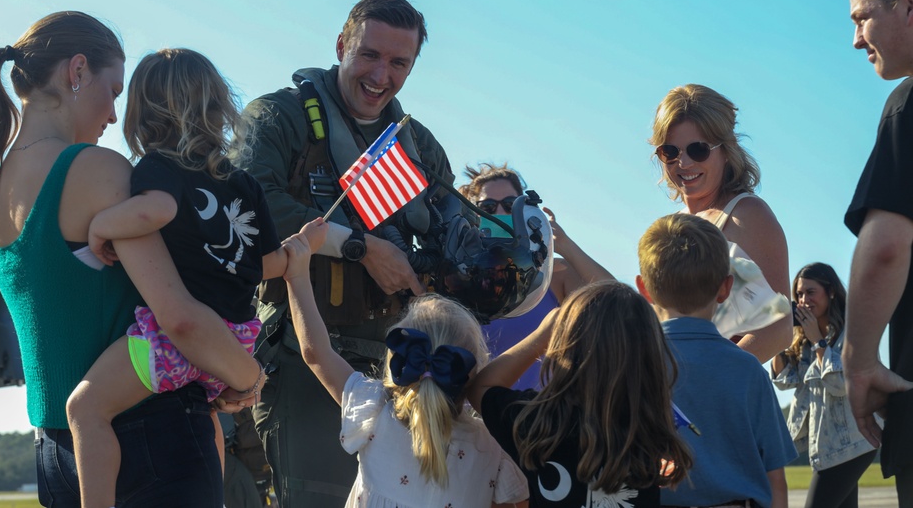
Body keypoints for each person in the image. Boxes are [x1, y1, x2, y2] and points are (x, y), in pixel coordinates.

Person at [0, 13, 262, 507]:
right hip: (150, 439)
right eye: (114, 92)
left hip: (58, 452)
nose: (115, 117)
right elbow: (179, 317)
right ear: (77, 72)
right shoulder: (97, 171)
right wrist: (247, 378)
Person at [66, 49, 318, 508]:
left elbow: (157, 210)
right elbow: (263, 265)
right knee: (204, 423)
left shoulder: (159, 168)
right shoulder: (245, 184)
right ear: (217, 106)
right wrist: (297, 252)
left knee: (84, 410)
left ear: (144, 111)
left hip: (175, 341)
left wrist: (102, 226)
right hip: (235, 343)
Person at [233, 0, 454, 507]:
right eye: (370, 56)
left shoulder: (415, 144)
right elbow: (251, 206)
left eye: (399, 63)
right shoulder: (277, 118)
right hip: (302, 358)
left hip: (399, 366)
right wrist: (361, 247)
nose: (382, 75)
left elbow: (452, 227)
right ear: (340, 45)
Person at [279, 218, 528, 508]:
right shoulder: (492, 447)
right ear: (471, 373)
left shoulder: (375, 412)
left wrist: (297, 273)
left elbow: (315, 351)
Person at [467, 281, 693, 507]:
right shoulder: (650, 431)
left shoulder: (538, 424)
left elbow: (480, 388)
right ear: (650, 358)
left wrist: (542, 335)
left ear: (565, 346)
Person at [637, 213, 795, 508]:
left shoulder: (628, 366)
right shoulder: (749, 371)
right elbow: (776, 479)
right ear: (725, 288)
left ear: (643, 289)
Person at [842, 0, 913, 504]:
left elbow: (887, 244)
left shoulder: (907, 105)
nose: (856, 39)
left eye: (863, 16)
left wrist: (859, 362)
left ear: (909, 3)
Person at [650, 83, 792, 363]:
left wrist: (709, 378)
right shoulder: (670, 225)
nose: (684, 163)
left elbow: (779, 329)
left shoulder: (747, 216)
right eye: (670, 152)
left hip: (714, 398)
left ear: (726, 150)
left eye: (698, 150)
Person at [459, 162, 611, 389]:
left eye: (510, 205)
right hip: (474, 419)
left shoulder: (552, 274)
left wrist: (564, 245)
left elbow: (614, 303)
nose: (500, 213)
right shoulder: (459, 278)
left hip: (541, 417)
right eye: (488, 207)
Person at [771, 263, 877, 508]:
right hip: (827, 446)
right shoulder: (805, 338)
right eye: (798, 294)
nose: (803, 299)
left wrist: (818, 342)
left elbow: (841, 384)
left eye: (811, 292)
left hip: (853, 443)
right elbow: (785, 381)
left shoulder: (853, 332)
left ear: (830, 292)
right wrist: (780, 332)